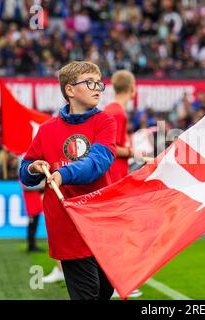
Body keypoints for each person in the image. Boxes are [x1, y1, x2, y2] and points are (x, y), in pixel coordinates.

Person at [19, 61, 118, 300]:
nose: (98, 88)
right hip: (67, 222)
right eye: (90, 83)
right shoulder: (46, 130)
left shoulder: (105, 122)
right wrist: (33, 167)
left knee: (105, 290)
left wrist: (63, 174)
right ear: (70, 90)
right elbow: (25, 172)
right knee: (87, 294)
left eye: (99, 83)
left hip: (99, 219)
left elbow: (98, 163)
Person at [104, 70, 143, 299]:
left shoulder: (113, 111)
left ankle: (118, 283)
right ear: (132, 87)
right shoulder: (117, 112)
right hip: (114, 179)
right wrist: (132, 152)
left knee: (119, 231)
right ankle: (119, 284)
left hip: (115, 177)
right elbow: (111, 147)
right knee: (119, 232)